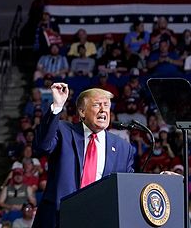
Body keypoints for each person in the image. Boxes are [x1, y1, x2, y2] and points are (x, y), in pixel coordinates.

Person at [32, 84, 135, 228]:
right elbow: (41, 146)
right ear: (82, 112)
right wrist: (57, 106)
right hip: (59, 219)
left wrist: (161, 179)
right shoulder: (64, 131)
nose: (103, 109)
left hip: (99, 221)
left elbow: (129, 186)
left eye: (106, 105)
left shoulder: (123, 148)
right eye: (97, 105)